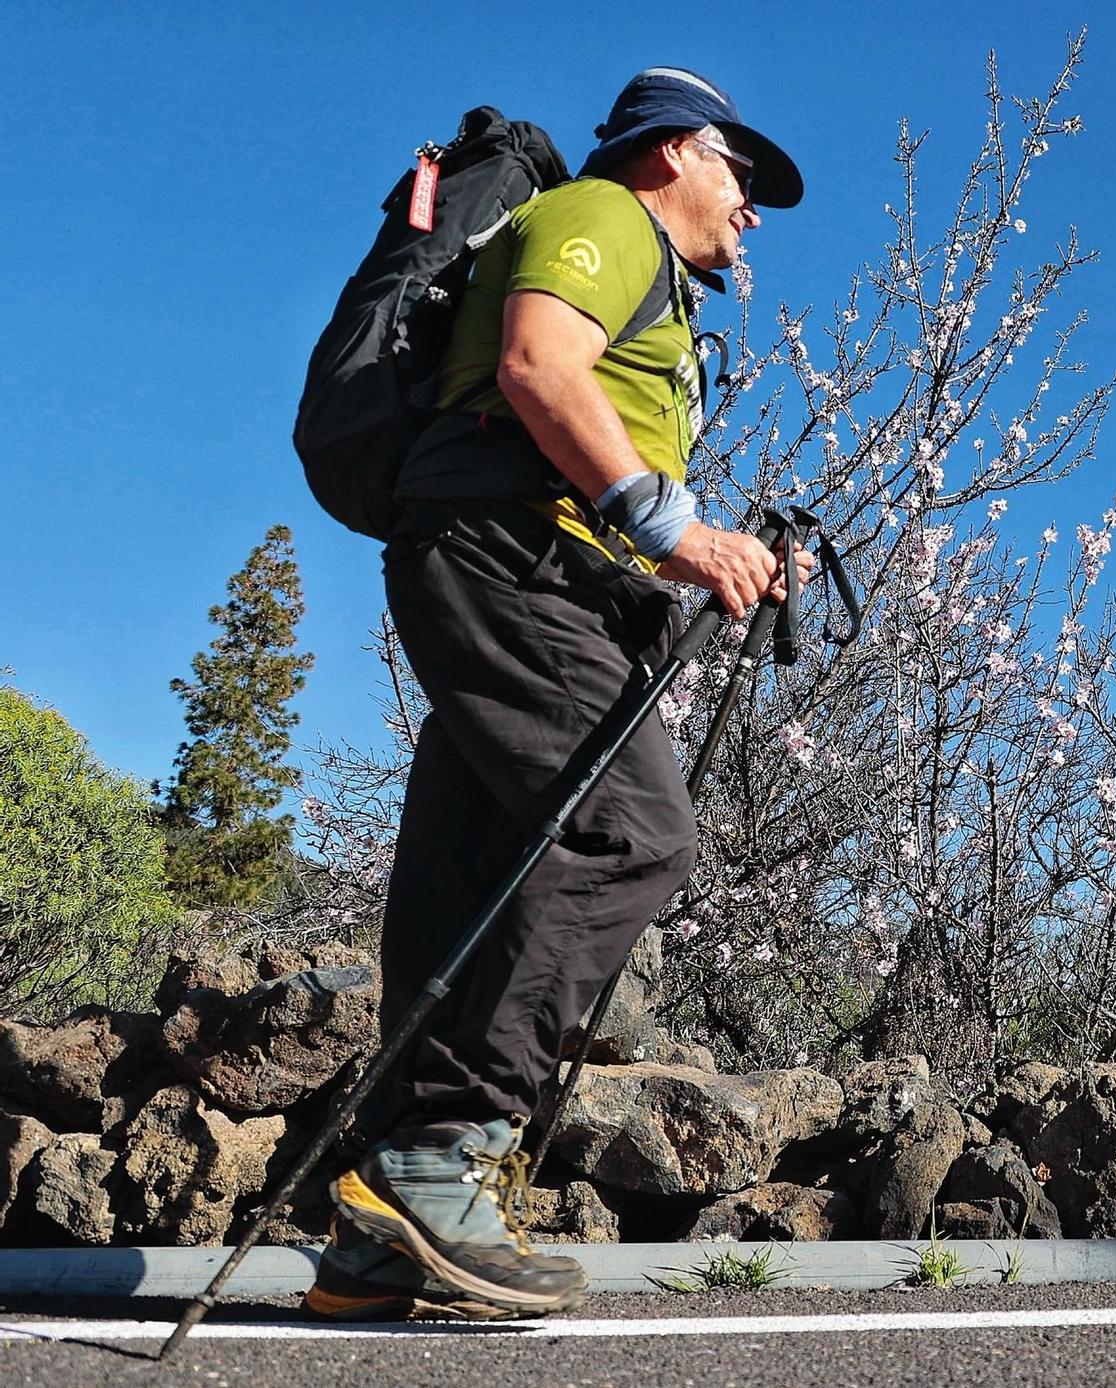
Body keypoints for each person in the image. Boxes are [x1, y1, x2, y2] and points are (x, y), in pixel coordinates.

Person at [304, 67, 809, 1322]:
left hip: (511, 562)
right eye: (742, 175)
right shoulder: (602, 217)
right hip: (514, 562)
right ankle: (442, 1154)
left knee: (464, 881)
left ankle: (378, 1232)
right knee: (631, 835)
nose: (751, 210)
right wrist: (675, 527)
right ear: (680, 151)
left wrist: (694, 536)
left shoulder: (644, 261)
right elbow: (538, 365)